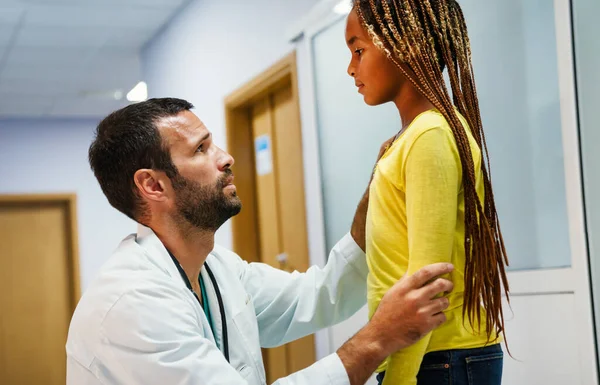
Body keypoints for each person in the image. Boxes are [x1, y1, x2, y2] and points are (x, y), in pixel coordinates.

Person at [66, 97, 454, 385]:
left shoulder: (216, 268)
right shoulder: (132, 303)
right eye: (201, 149)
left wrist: (370, 218)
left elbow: (314, 297)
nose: (226, 157)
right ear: (153, 185)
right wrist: (376, 339)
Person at [344, 1, 510, 385]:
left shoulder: (430, 135)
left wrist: (399, 378)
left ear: (407, 44)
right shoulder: (415, 138)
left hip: (438, 359)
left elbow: (429, 283)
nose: (351, 68)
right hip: (434, 357)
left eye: (358, 50)